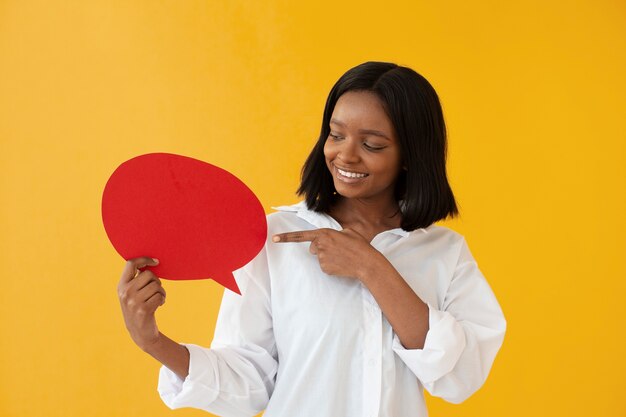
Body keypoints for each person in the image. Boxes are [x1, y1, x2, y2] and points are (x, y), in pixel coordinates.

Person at [117, 61, 506, 417]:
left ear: (410, 155)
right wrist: (153, 341)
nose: (344, 156)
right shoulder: (275, 238)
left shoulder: (444, 253)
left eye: (372, 145)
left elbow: (460, 375)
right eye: (336, 135)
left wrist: (371, 268)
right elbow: (249, 380)